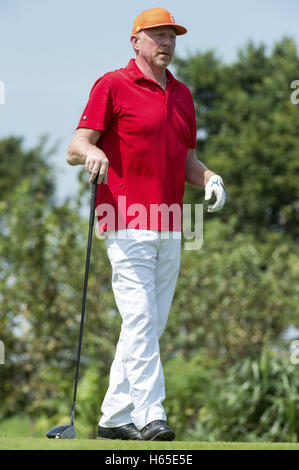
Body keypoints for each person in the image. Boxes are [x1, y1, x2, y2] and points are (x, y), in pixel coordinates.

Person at [67, 7, 226, 441]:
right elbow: (76, 146)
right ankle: (151, 414)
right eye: (157, 36)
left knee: (149, 326)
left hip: (172, 223)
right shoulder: (112, 85)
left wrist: (209, 178)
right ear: (135, 40)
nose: (166, 43)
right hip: (123, 219)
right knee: (140, 321)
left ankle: (113, 419)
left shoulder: (183, 95)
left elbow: (188, 159)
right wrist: (93, 153)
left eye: (172, 36)